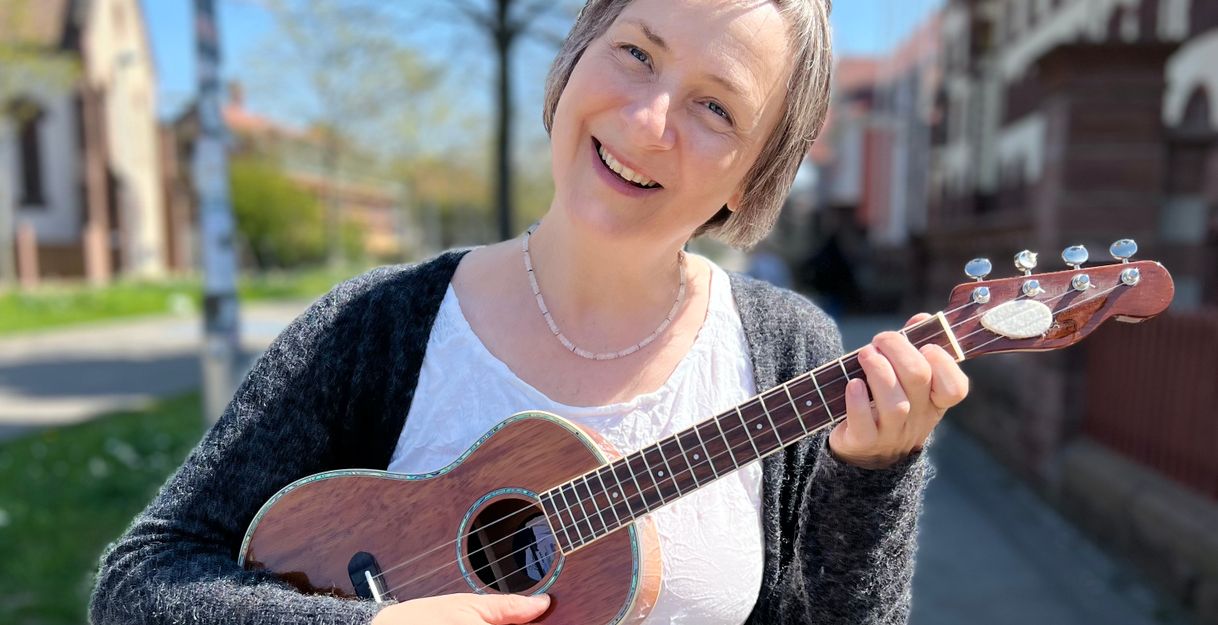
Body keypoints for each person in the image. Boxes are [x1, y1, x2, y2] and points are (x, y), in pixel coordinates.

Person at [89, 0, 969, 624]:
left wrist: (875, 476)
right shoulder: (378, 329)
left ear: (755, 177)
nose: (649, 117)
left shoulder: (787, 354)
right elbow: (142, 582)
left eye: (715, 106)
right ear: (577, 53)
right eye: (636, 51)